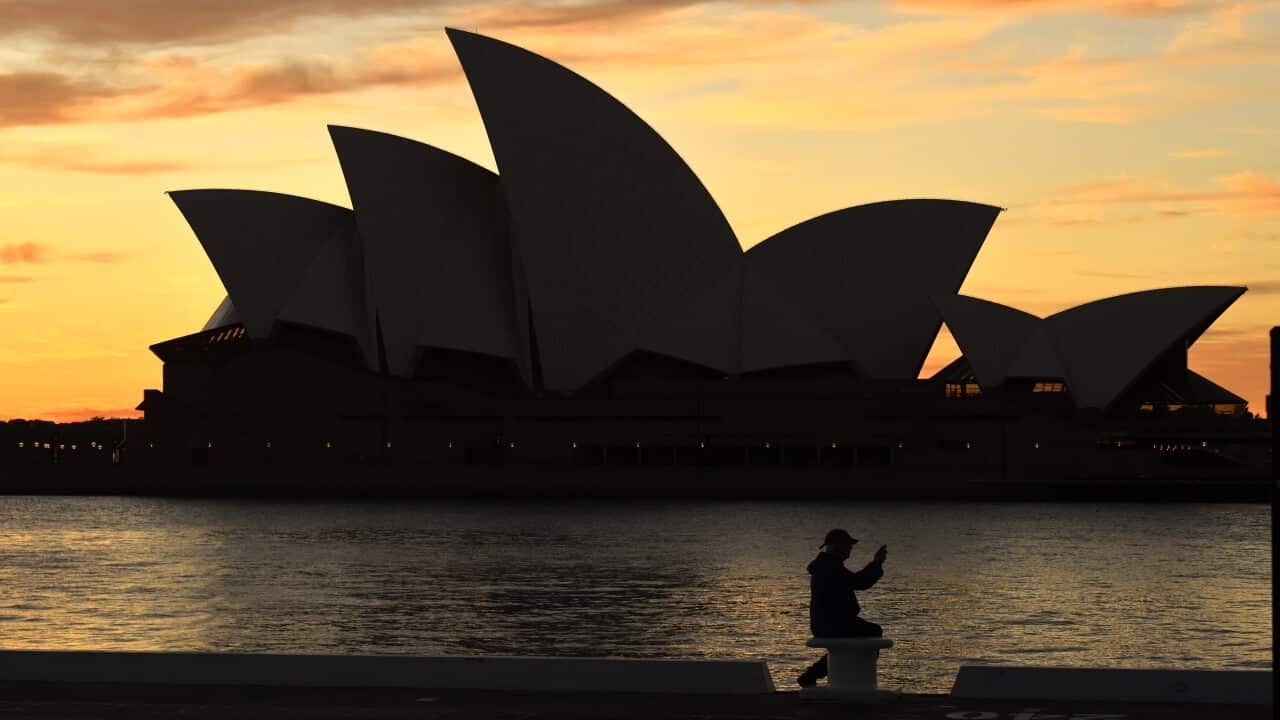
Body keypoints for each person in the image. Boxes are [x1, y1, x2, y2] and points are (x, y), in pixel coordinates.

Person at [797, 528, 888, 688]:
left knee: (849, 645)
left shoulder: (827, 566)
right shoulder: (830, 567)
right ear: (836, 548)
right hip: (834, 624)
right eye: (848, 546)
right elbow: (859, 582)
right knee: (874, 632)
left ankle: (811, 675)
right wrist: (876, 564)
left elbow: (856, 581)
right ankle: (858, 678)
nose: (850, 550)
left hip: (828, 623)